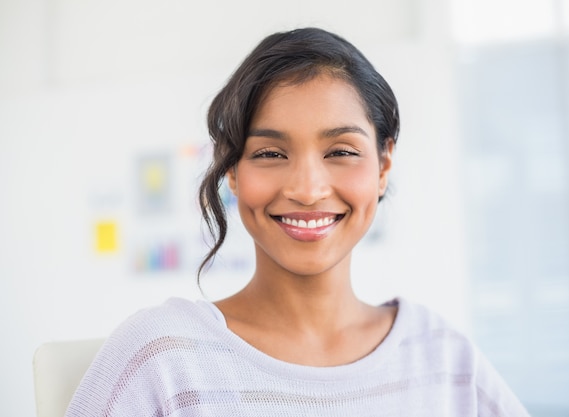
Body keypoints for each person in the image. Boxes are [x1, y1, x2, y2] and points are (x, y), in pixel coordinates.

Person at [65, 27, 529, 416]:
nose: (307, 189)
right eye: (269, 154)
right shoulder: (162, 360)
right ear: (232, 170)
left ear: (383, 166)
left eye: (341, 152)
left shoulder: (444, 360)